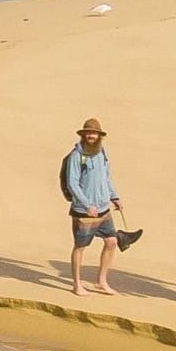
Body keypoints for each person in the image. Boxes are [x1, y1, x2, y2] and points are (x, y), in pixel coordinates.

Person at [58, 118, 129, 295]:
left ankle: (101, 281)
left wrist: (115, 196)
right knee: (80, 246)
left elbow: (107, 177)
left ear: (99, 136)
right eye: (88, 133)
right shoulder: (77, 156)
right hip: (84, 211)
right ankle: (77, 284)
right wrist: (86, 204)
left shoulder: (102, 152)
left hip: (103, 208)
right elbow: (72, 183)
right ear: (83, 135)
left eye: (94, 133)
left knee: (112, 241)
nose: (91, 135)